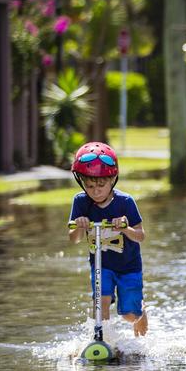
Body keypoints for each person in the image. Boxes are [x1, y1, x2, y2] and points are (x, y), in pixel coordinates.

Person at [67, 142, 148, 336]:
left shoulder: (126, 202)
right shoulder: (80, 202)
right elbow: (74, 239)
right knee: (101, 301)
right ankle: (101, 338)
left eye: (101, 185)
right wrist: (79, 225)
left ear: (113, 179)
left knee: (129, 314)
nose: (96, 191)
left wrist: (125, 228)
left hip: (129, 266)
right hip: (101, 265)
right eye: (90, 185)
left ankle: (141, 311)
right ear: (81, 183)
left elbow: (141, 236)